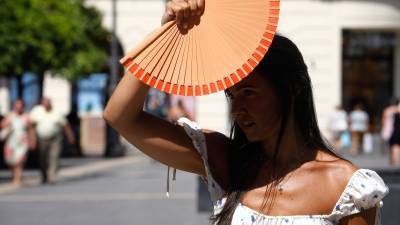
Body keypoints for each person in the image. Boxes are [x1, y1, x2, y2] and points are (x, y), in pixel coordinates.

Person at [103, 1, 388, 224]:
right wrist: (166, 36)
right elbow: (121, 116)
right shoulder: (225, 160)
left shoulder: (347, 187)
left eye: (249, 92)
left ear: (290, 91)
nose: (237, 108)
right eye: (232, 94)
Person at [30, 97, 75, 184]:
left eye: (47, 103)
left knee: (54, 156)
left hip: (55, 139)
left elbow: (65, 125)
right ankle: (44, 175)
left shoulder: (57, 112)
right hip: (41, 138)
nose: (46, 105)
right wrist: (32, 138)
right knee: (42, 158)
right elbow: (31, 125)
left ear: (50, 103)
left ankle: (52, 176)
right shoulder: (37, 111)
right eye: (44, 104)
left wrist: (70, 137)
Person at [0, 99, 35, 186]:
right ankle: (14, 175)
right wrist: (6, 124)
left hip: (22, 142)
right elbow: (2, 125)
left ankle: (18, 178)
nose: (18, 108)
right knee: (10, 161)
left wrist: (32, 141)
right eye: (17, 106)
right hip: (11, 142)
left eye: (20, 106)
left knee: (20, 160)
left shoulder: (26, 117)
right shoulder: (10, 116)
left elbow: (31, 130)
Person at [381, 97, 400, 165]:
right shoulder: (398, 110)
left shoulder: (387, 110)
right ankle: (395, 159)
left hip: (390, 130)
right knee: (396, 145)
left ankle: (393, 159)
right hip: (397, 130)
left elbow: (383, 121)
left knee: (393, 145)